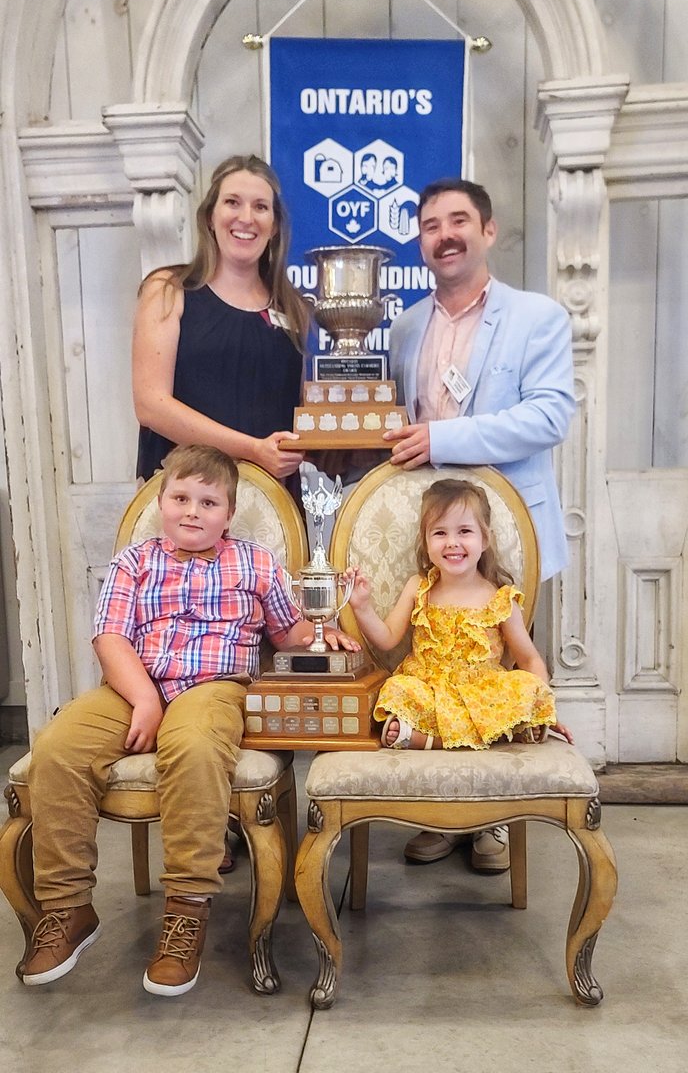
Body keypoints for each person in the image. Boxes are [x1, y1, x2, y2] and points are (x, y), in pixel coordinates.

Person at [20, 444, 357, 997]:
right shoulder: (136, 561)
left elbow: (288, 632)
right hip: (132, 687)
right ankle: (66, 907)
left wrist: (323, 633)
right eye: (181, 497)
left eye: (209, 502)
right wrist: (145, 699)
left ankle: (186, 909)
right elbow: (110, 637)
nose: (193, 511)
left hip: (213, 687)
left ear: (229, 513)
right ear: (160, 501)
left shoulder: (253, 563)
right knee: (57, 746)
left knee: (194, 748)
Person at [383, 176, 575, 867]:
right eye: (431, 224)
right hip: (437, 539)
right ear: (422, 241)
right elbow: (399, 435)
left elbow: (549, 417)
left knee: (498, 679)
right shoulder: (406, 327)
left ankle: (494, 818)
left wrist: (441, 439)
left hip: (508, 535)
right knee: (438, 683)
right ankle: (442, 812)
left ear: (488, 231)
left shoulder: (537, 316)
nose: (445, 234)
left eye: (459, 220)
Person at [348, 479, 573, 869]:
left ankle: (487, 822)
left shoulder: (500, 597)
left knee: (521, 690)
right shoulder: (419, 588)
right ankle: (441, 823)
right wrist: (363, 607)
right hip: (432, 690)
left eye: (464, 531)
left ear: (485, 539)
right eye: (440, 533)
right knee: (397, 690)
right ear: (426, 542)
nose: (452, 543)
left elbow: (530, 660)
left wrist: (541, 704)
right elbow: (386, 640)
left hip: (482, 693)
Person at [133, 154, 310, 484]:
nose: (246, 217)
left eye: (260, 207)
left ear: (274, 226)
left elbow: (296, 414)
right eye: (232, 202)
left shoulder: (293, 307)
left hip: (272, 504)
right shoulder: (169, 289)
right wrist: (252, 450)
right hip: (189, 498)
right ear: (210, 217)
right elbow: (151, 405)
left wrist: (345, 444)